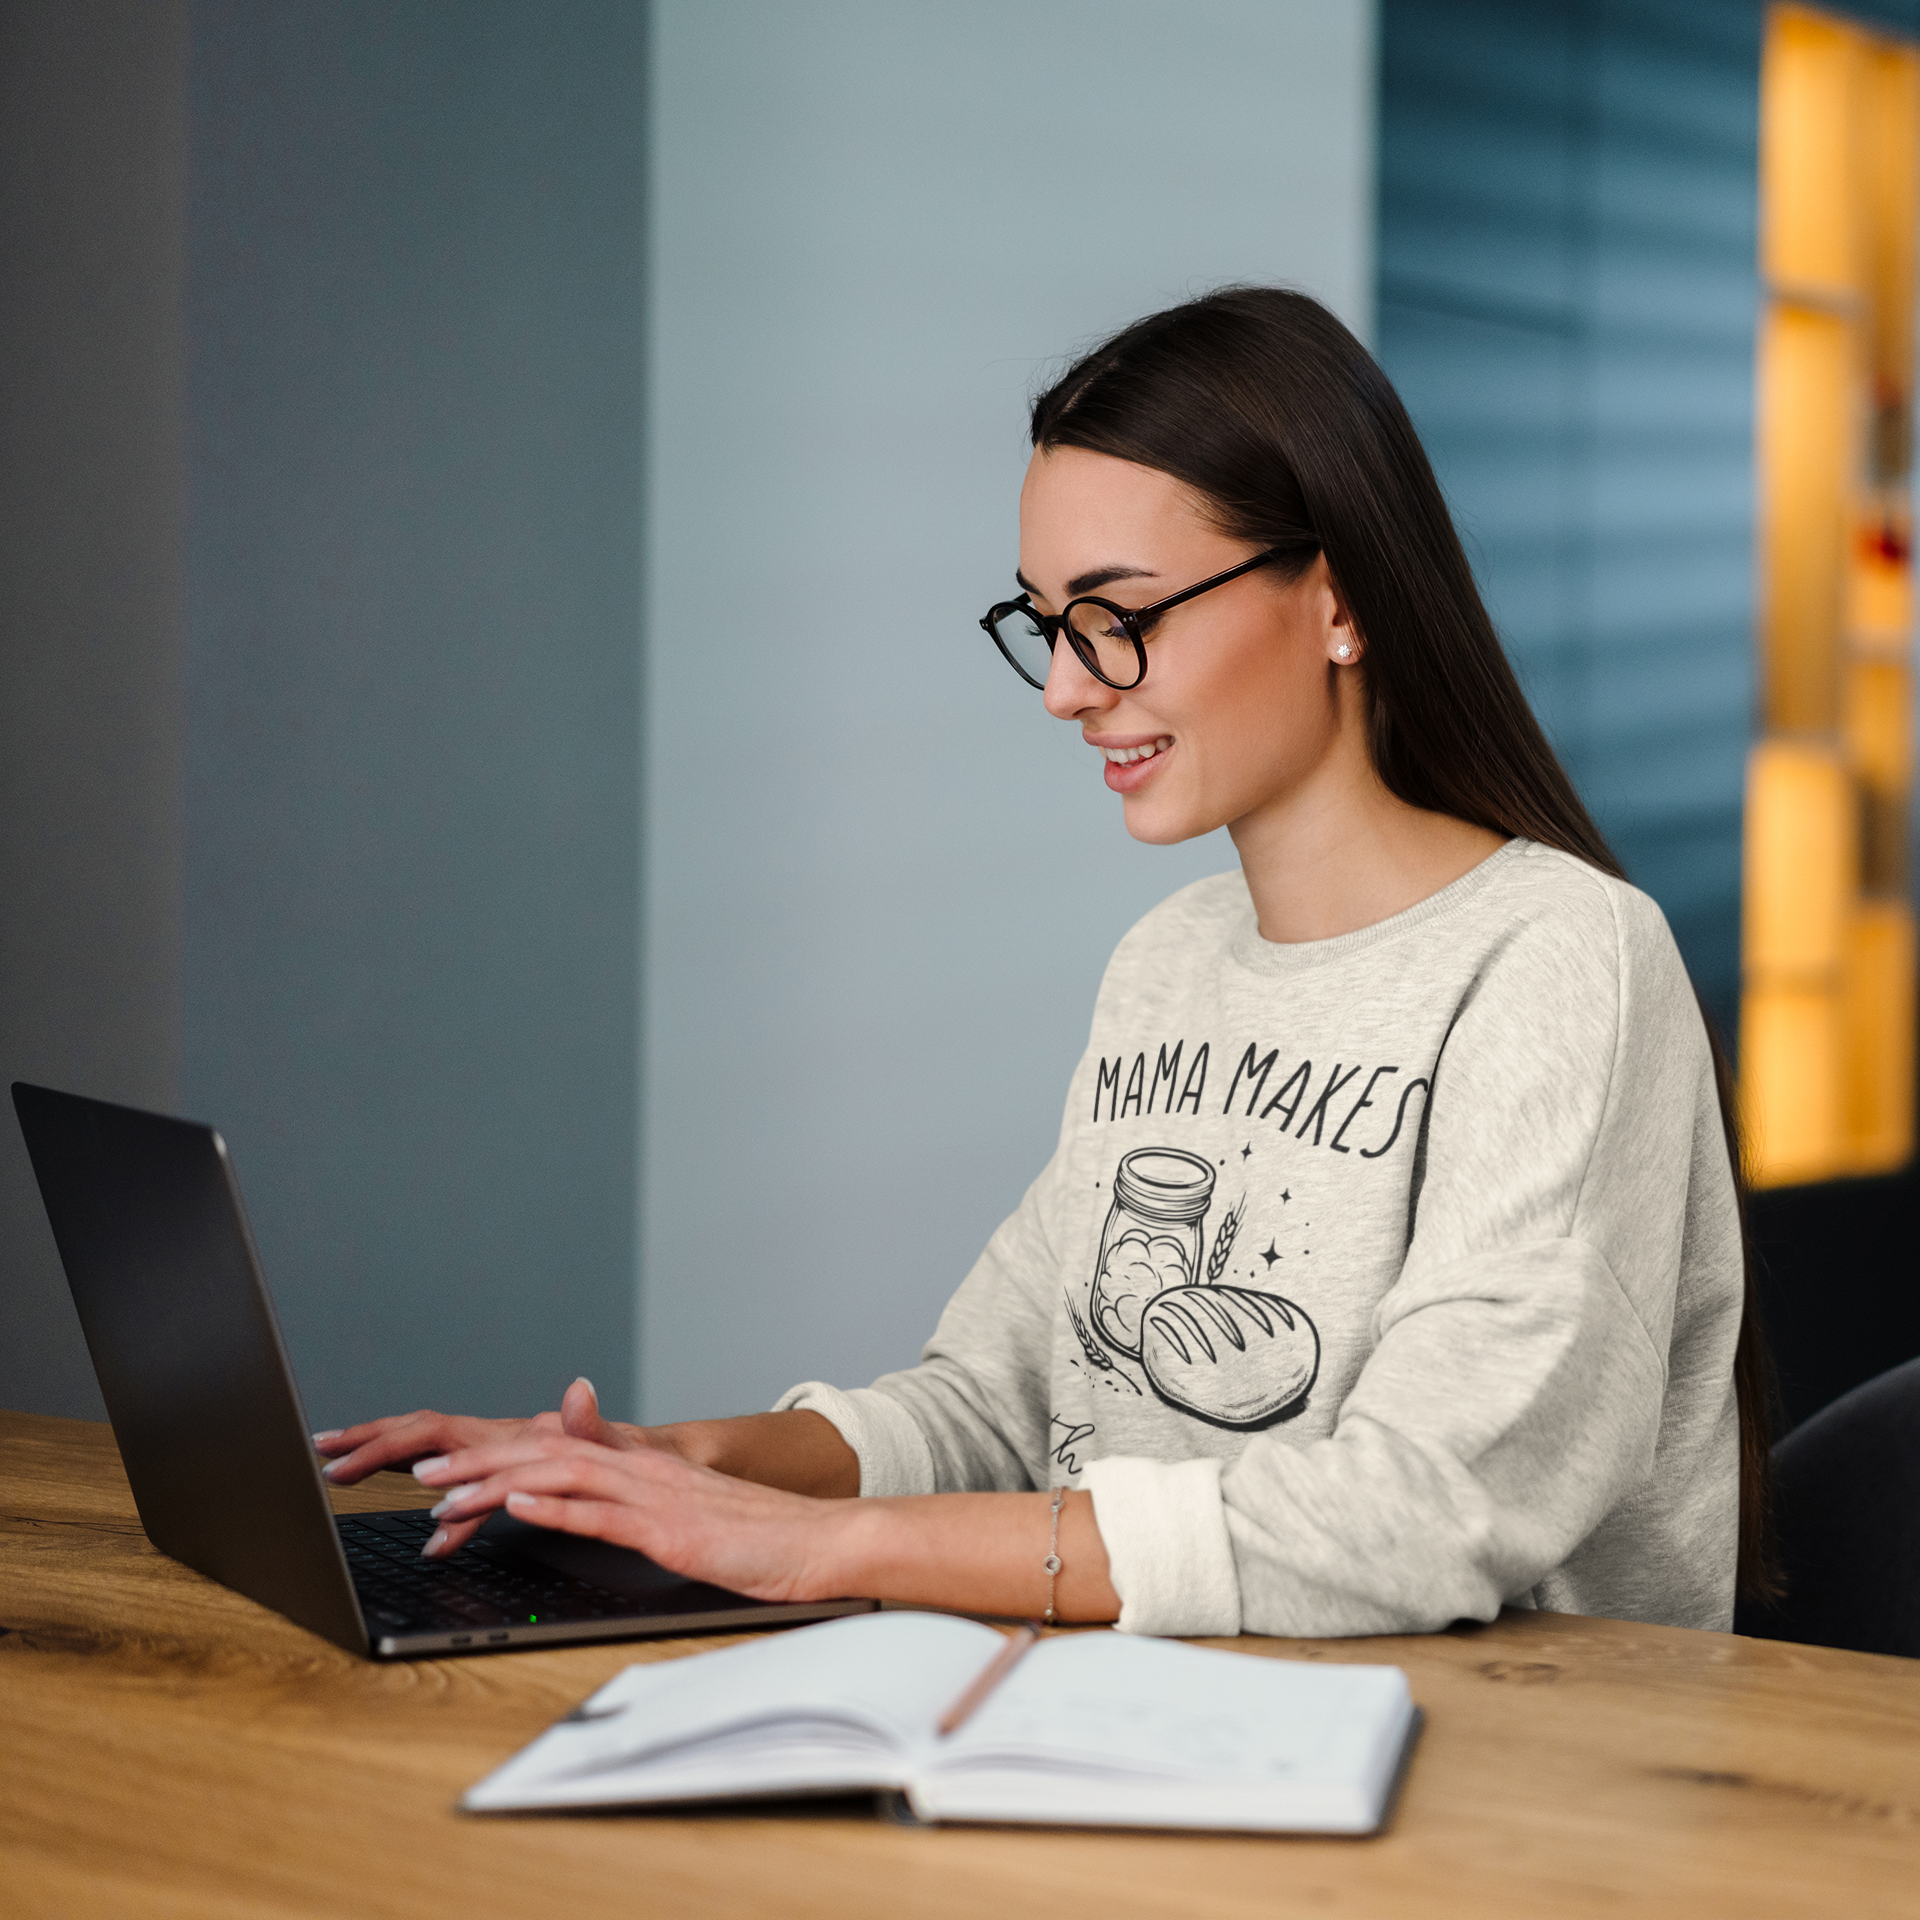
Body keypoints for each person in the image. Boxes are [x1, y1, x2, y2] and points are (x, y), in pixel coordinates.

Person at [316, 288, 1772, 1636]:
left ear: (1336, 599)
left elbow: (1418, 1513)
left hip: (1502, 1797)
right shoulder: (1171, 962)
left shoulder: (1564, 959)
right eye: (1049, 623)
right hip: (1162, 1728)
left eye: (1121, 618)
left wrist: (820, 1552)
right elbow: (1001, 1402)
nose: (1072, 687)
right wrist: (670, 1465)